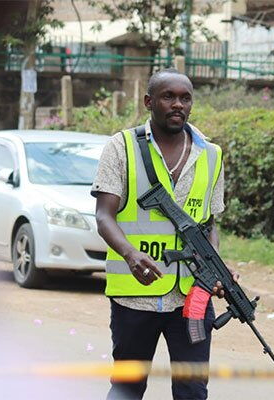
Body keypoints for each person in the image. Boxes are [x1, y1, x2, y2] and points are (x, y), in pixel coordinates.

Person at [93, 68, 231, 400]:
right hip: (136, 295)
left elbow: (209, 224)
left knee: (193, 390)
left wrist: (216, 269)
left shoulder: (211, 155)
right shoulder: (122, 147)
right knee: (128, 386)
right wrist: (129, 253)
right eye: (168, 96)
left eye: (185, 98)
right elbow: (103, 215)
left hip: (192, 298)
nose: (177, 105)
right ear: (149, 101)